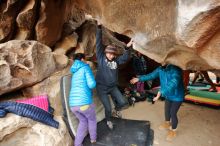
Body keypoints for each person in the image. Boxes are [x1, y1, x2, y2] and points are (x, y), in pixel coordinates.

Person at [130, 64, 184, 141]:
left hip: (177, 95)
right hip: (168, 95)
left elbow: (173, 83)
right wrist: (139, 79)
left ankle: (173, 131)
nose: (161, 62)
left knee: (172, 112)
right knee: (167, 110)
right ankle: (167, 123)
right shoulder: (160, 69)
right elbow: (151, 75)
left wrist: (161, 91)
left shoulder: (176, 70)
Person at [96, 21, 132, 129]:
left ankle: (116, 110)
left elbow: (125, 58)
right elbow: (98, 43)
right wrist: (98, 28)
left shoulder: (116, 61)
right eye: (109, 53)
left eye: (113, 54)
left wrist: (127, 48)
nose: (111, 56)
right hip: (102, 88)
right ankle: (108, 120)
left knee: (123, 102)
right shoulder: (101, 58)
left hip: (112, 87)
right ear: (106, 53)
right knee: (107, 108)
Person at [69, 53, 97, 146]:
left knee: (83, 121)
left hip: (73, 105)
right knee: (92, 119)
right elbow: (92, 84)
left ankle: (77, 144)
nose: (85, 61)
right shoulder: (85, 68)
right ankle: (93, 139)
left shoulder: (74, 72)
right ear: (82, 60)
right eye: (85, 59)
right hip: (84, 103)